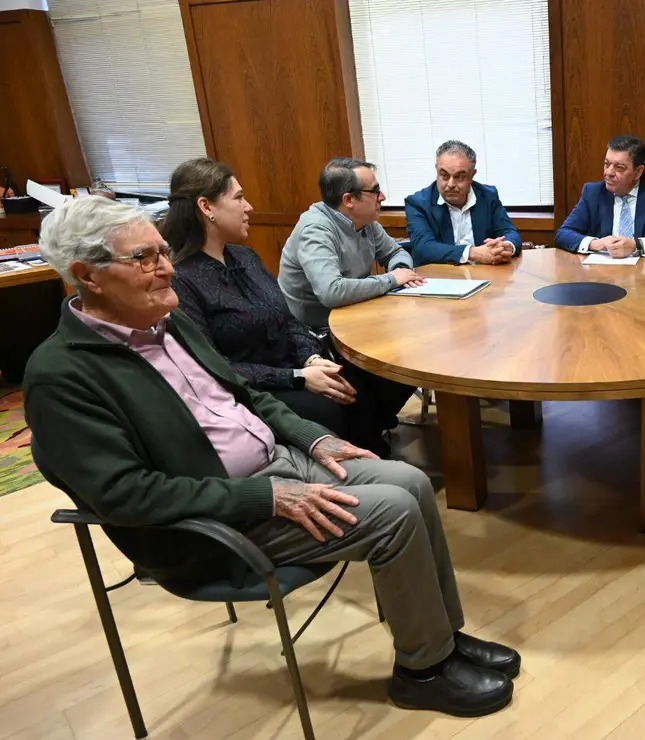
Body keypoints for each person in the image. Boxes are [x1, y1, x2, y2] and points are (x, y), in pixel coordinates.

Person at [25, 195, 520, 716]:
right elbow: (124, 494)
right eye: (144, 259)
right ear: (89, 275)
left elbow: (246, 395)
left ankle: (441, 637)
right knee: (392, 513)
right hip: (211, 521)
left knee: (410, 481)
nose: (167, 268)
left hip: (271, 466)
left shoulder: (166, 322)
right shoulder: (62, 376)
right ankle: (423, 672)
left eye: (163, 251)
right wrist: (265, 496)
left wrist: (313, 438)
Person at [163, 158, 390, 458]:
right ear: (207, 207)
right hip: (253, 392)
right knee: (336, 407)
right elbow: (212, 367)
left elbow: (288, 319)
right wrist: (297, 377)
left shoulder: (244, 257)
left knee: (364, 382)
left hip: (295, 368)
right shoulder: (181, 280)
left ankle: (373, 461)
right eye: (239, 198)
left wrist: (310, 359)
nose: (249, 207)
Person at [278, 157, 421, 434]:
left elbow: (395, 252)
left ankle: (375, 427)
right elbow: (332, 291)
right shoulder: (316, 229)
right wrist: (391, 279)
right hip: (315, 337)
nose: (382, 196)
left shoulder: (366, 222)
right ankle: (368, 437)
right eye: (375, 191)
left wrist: (401, 269)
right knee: (375, 381)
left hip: (358, 321)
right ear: (349, 200)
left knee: (412, 357)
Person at [554, 135, 645, 257]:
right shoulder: (593, 192)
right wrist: (596, 243)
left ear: (638, 172)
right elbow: (563, 233)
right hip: (602, 275)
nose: (609, 173)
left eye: (619, 167)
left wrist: (637, 245)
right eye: (607, 164)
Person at [404, 140, 522, 266]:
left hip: (485, 275)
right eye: (444, 175)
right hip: (440, 277)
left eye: (459, 177)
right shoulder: (418, 203)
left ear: (472, 175)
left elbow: (510, 233)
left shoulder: (488, 196)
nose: (450, 184)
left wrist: (506, 247)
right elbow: (423, 248)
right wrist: (472, 253)